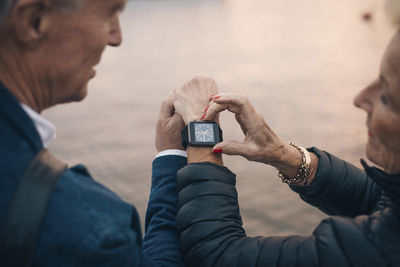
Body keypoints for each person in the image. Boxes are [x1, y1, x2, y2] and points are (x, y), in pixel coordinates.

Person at [172, 6, 400, 267]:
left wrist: (201, 128)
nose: (359, 99)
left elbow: (214, 254)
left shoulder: (381, 251)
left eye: (386, 96)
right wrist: (283, 154)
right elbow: (377, 202)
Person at [0, 0, 186, 266]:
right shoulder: (83, 230)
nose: (116, 38)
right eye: (110, 13)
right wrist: (173, 157)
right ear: (34, 21)